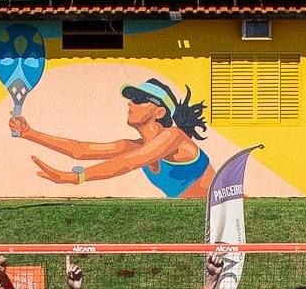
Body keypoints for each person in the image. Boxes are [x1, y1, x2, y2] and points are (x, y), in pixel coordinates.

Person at [11, 77, 214, 199]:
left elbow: (128, 163)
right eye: (130, 98)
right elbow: (80, 150)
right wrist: (29, 133)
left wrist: (73, 178)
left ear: (160, 112)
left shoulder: (174, 136)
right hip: (203, 219)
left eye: (139, 99)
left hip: (226, 210)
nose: (130, 104)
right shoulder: (138, 146)